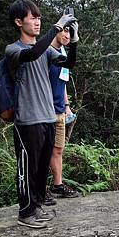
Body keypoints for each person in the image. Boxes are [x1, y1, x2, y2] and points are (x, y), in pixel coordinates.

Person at [5, 0, 78, 228]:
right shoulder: (14, 50)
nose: (37, 22)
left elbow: (68, 64)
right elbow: (33, 53)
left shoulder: (46, 51)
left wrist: (73, 40)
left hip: (47, 116)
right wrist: (56, 28)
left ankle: (36, 208)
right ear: (19, 22)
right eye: (32, 17)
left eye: (39, 18)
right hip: (28, 118)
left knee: (40, 168)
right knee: (27, 167)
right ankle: (25, 212)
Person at [46, 26, 79, 202]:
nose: (67, 36)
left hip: (60, 110)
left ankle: (58, 185)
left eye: (70, 33)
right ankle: (40, 188)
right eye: (64, 32)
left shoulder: (63, 55)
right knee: (43, 152)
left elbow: (63, 82)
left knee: (58, 150)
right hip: (45, 111)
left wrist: (67, 106)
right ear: (56, 31)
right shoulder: (45, 53)